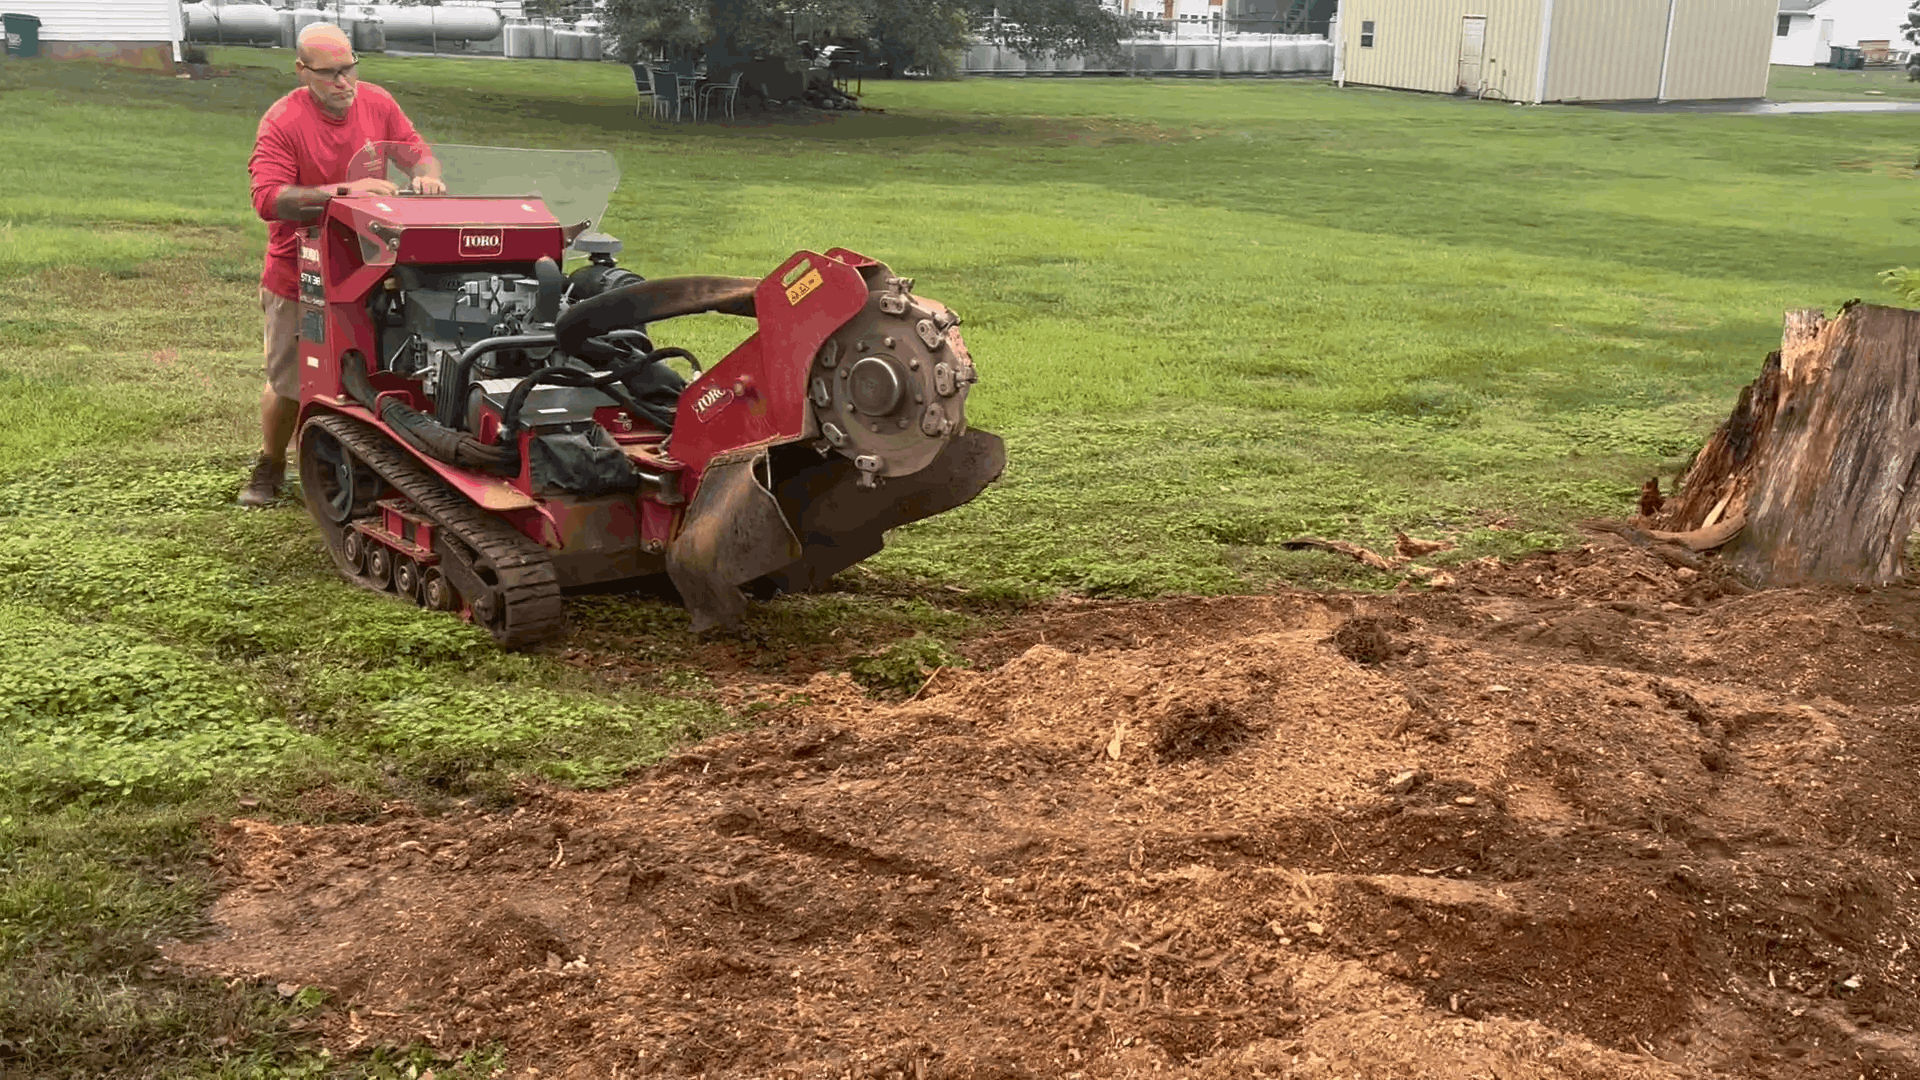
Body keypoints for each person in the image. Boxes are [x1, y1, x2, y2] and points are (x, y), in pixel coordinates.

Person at [240, 23, 444, 507]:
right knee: (291, 381)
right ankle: (270, 465)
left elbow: (417, 153)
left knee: (383, 368)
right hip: (301, 270)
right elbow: (268, 198)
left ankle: (370, 462)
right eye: (329, 73)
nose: (343, 83)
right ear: (301, 70)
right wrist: (343, 193)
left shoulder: (378, 103)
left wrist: (428, 177)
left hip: (374, 265)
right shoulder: (283, 120)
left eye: (349, 69)